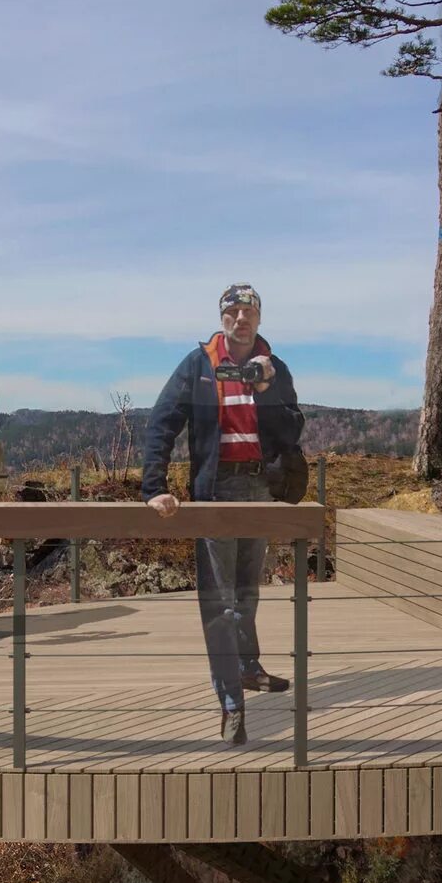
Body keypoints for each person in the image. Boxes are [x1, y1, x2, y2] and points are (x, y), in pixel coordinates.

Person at [143, 284, 304, 745]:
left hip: (260, 488)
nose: (240, 319)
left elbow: (292, 431)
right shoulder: (199, 366)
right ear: (222, 318)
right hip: (216, 491)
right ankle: (231, 702)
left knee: (249, 590)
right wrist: (154, 488)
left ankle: (249, 668)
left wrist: (267, 389)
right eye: (232, 311)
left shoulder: (274, 367)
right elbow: (161, 423)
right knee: (221, 601)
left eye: (248, 311)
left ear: (259, 318)